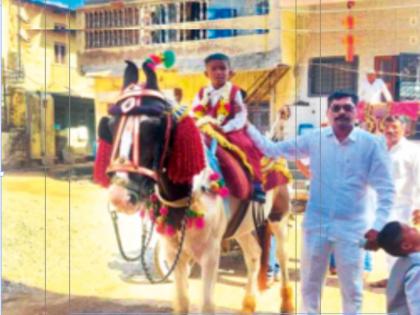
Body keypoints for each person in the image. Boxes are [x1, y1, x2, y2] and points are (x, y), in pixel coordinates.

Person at [247, 90, 395, 314]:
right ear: (328, 113)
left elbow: (387, 190)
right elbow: (272, 149)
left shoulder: (371, 144)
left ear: (357, 113)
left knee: (352, 289)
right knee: (309, 286)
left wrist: (377, 226)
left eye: (347, 108)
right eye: (336, 108)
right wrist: (244, 122)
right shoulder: (315, 139)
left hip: (353, 228)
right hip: (316, 225)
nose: (342, 112)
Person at [192, 53, 265, 202]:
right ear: (207, 73)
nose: (219, 72)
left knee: (247, 146)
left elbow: (241, 115)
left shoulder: (234, 91)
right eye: (214, 69)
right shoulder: (201, 93)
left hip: (230, 131)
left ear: (229, 72)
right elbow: (194, 112)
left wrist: (225, 128)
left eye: (222, 68)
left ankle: (256, 184)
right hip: (206, 130)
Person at [370, 115, 420, 288]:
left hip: (401, 206)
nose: (390, 131)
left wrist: (419, 206)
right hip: (378, 203)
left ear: (405, 129)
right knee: (387, 243)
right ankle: (394, 278)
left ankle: (404, 280)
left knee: (400, 242)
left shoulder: (413, 151)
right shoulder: (379, 148)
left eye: (395, 128)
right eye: (387, 127)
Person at [377, 221, 420, 315]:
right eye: (409, 230)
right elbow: (417, 305)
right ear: (406, 245)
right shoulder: (416, 269)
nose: (414, 228)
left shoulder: (403, 262)